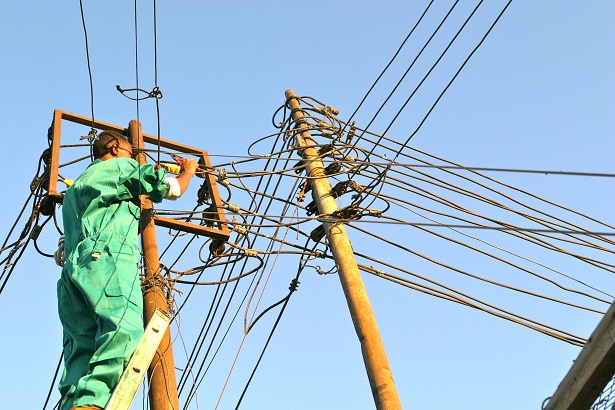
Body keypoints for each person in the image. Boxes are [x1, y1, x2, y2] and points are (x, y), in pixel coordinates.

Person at [56, 130, 198, 410]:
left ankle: (76, 404)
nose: (134, 157)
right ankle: (93, 404)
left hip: (73, 273)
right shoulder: (120, 166)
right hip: (106, 256)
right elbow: (170, 189)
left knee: (82, 346)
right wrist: (188, 173)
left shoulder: (74, 189)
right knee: (122, 330)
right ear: (113, 147)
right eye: (131, 152)